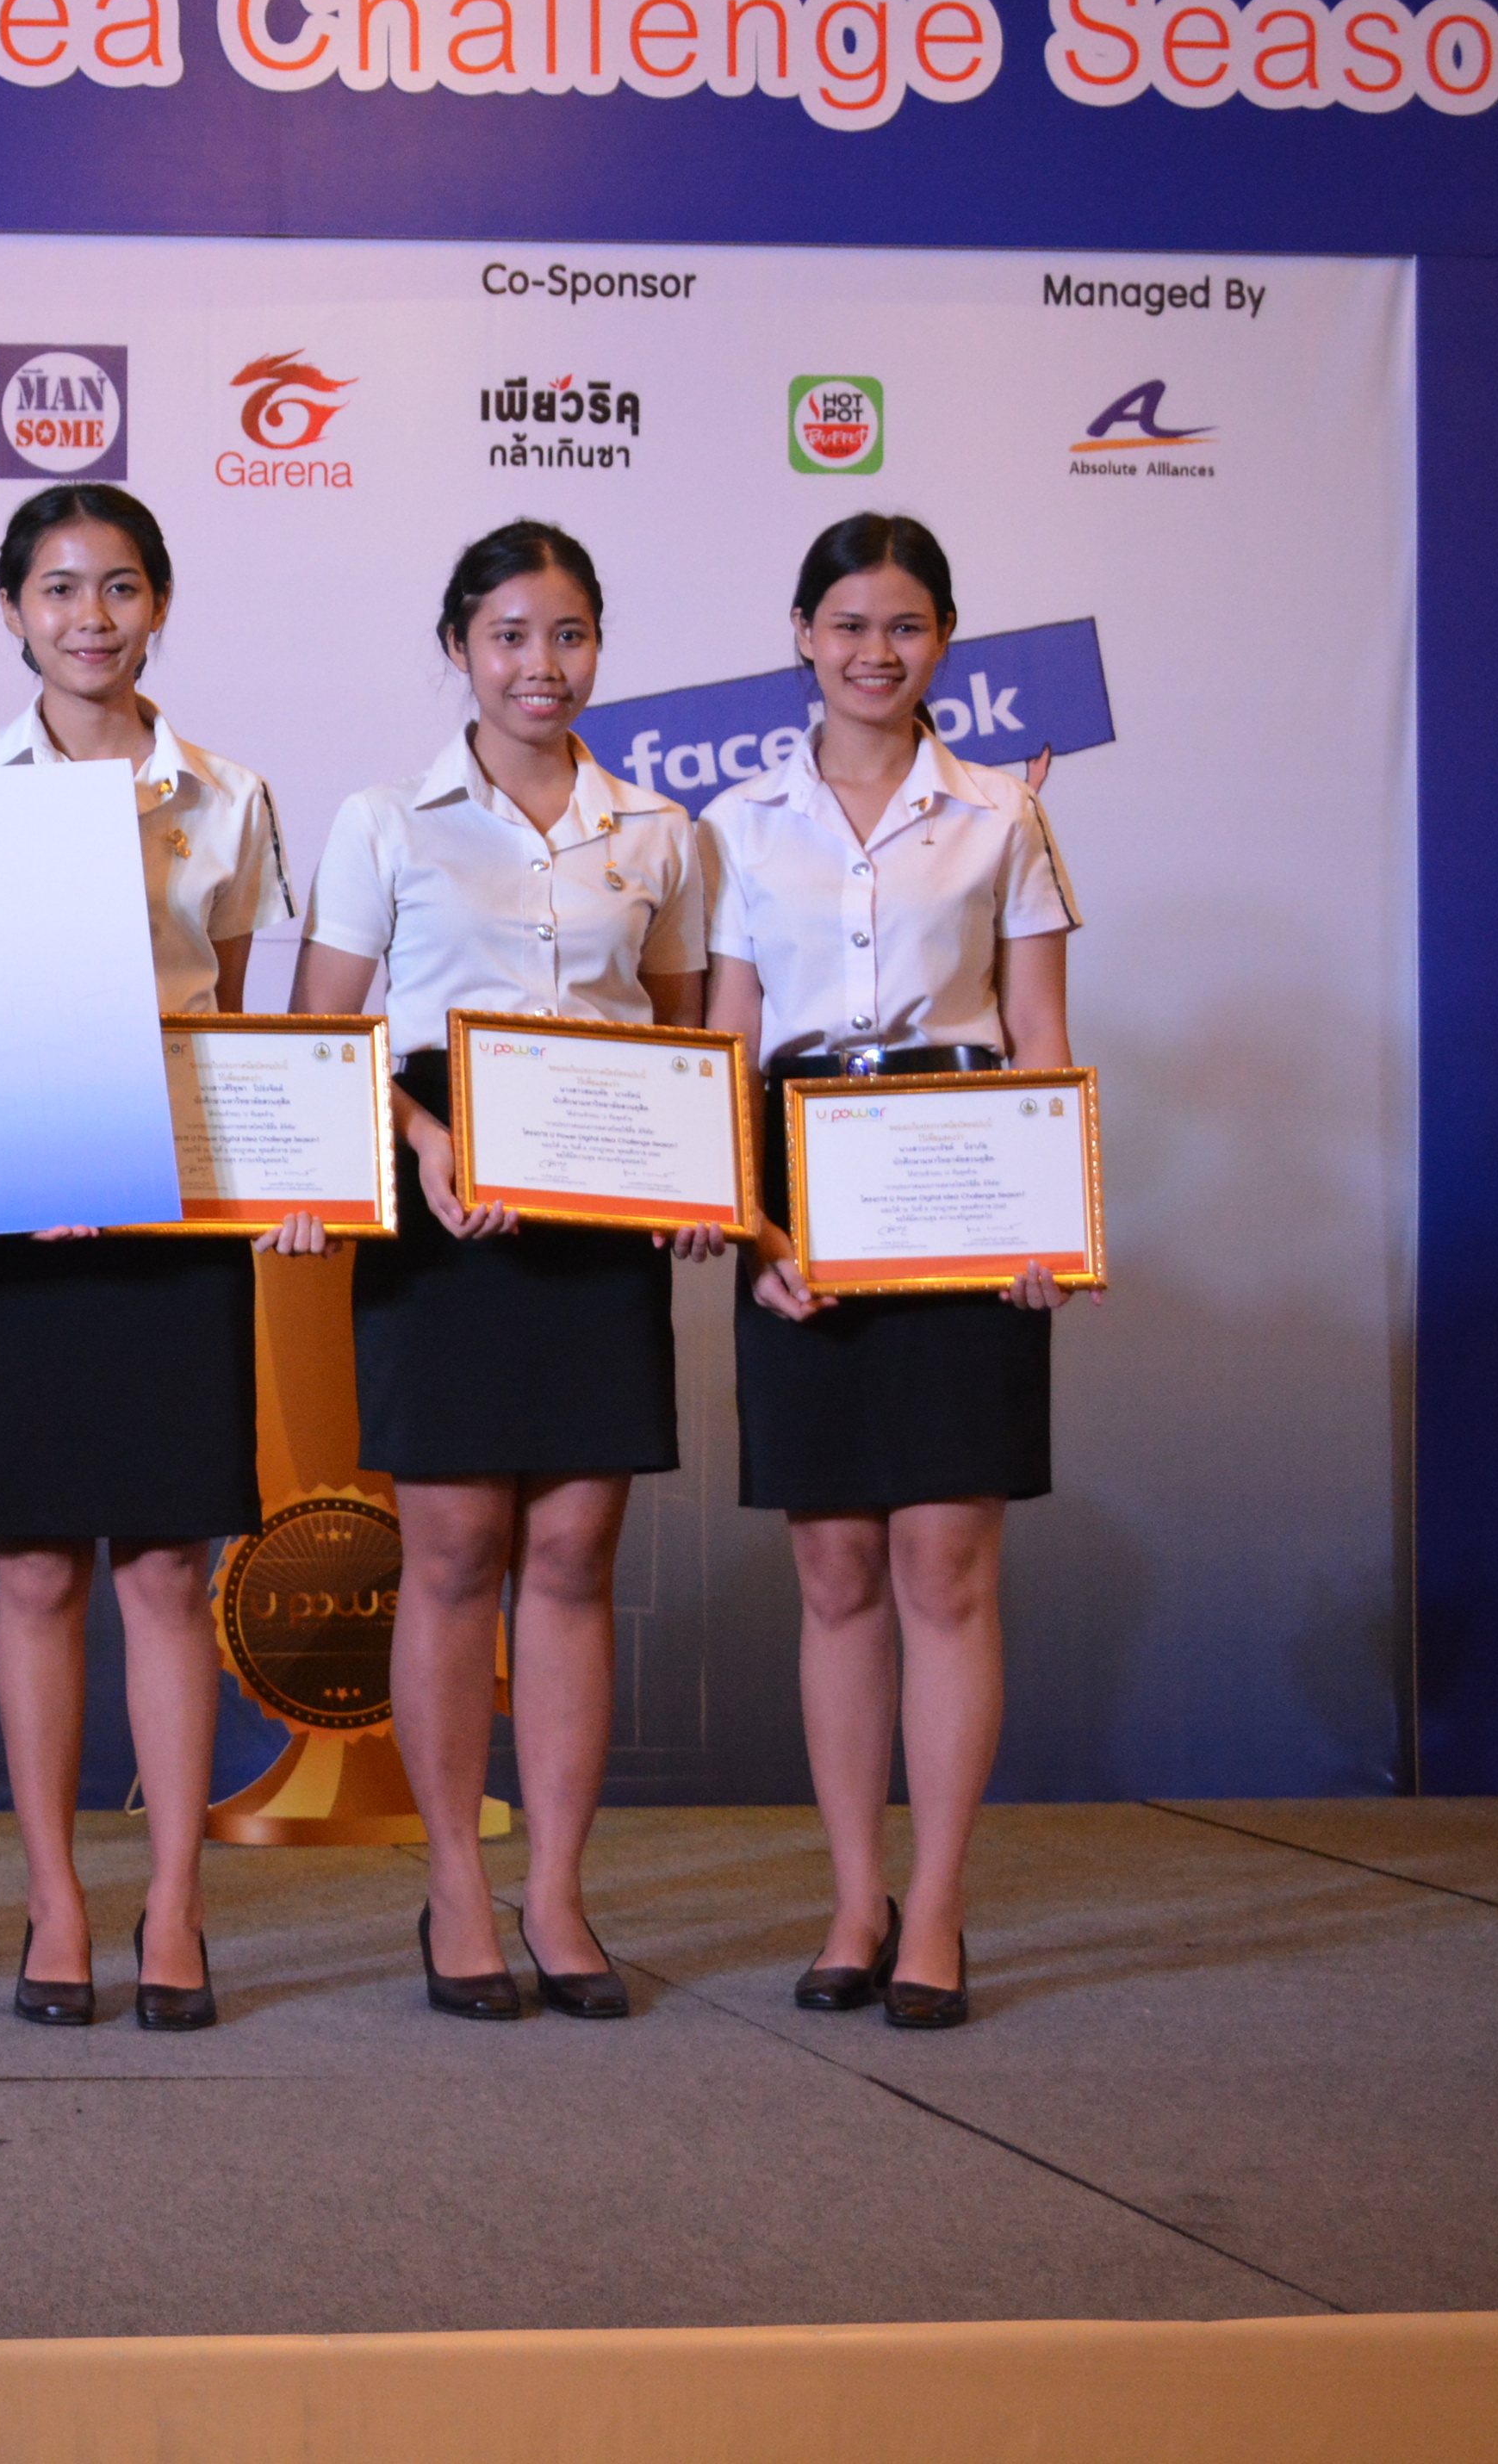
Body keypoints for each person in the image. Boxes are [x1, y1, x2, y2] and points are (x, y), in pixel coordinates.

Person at [293, 520, 722, 2024]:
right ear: (459, 648)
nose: (544, 665)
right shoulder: (383, 820)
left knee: (575, 1553)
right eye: (511, 636)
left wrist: (696, 1179)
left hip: (600, 1199)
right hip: (444, 1197)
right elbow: (325, 1034)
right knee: (456, 1550)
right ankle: (457, 1887)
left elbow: (681, 1039)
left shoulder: (661, 830)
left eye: (570, 634)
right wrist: (420, 1142)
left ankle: (557, 1891)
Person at [0, 484, 321, 2033]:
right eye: (59, 589)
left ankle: (173, 1903)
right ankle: (55, 1902)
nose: (91, 618)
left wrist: (278, 1168)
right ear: (12, 609)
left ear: (160, 603)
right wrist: (23, 1156)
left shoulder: (228, 792)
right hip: (16, 1217)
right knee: (33, 1567)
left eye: (122, 587)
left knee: (165, 1569)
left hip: (167, 1224)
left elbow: (234, 1019)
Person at [705, 514, 1079, 2033]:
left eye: (906, 625)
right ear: (802, 633)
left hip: (962, 1174)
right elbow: (726, 1046)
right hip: (802, 1183)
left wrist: (1053, 1219)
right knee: (837, 1569)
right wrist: (752, 1231)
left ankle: (935, 1907)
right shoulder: (736, 823)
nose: (876, 652)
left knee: (946, 1564)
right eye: (849, 624)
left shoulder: (1004, 813)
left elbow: (1039, 1034)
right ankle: (854, 1898)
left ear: (944, 641)